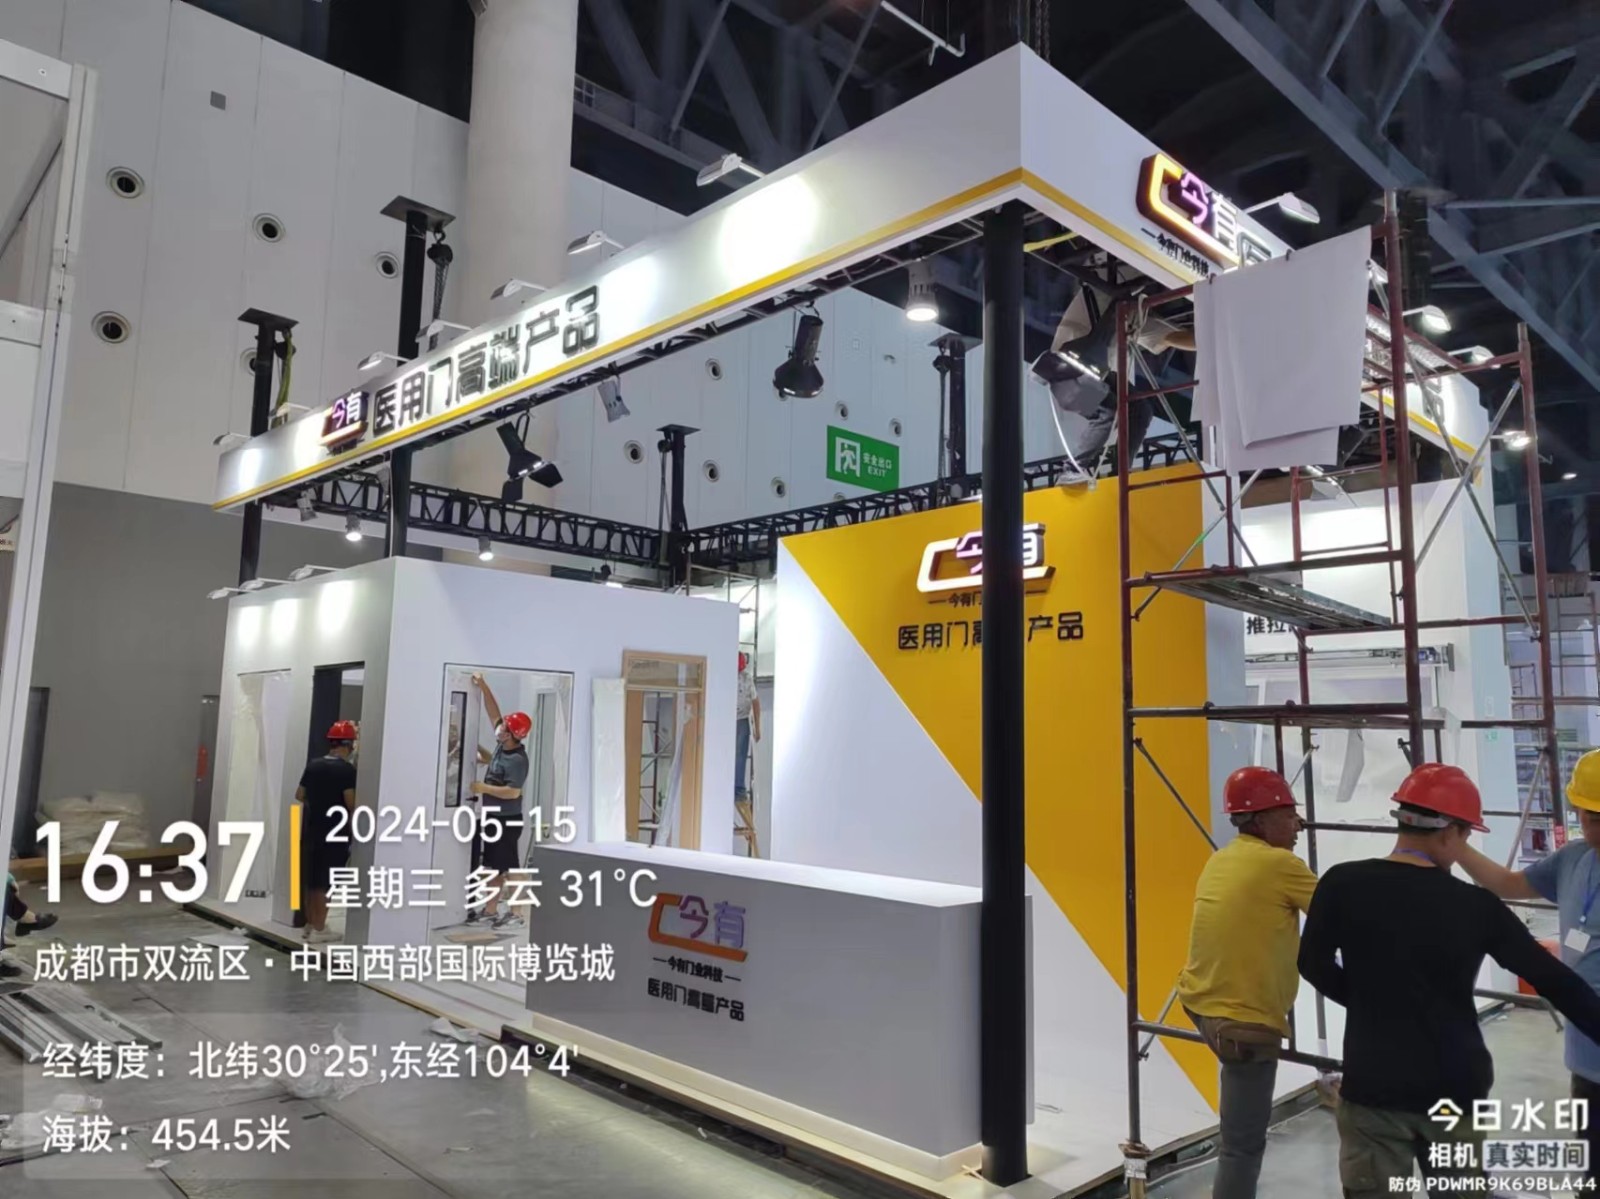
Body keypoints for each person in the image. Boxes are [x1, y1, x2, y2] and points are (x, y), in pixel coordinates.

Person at [1298, 764, 1600, 1199]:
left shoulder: (1340, 884)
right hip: (1454, 1089)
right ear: (1451, 834)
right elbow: (1553, 980)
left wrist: (1372, 1003)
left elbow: (1311, 964)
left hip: (1373, 1084)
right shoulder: (1477, 907)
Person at [1453, 747, 1600, 1181]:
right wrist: (1456, 845)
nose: (1596, 828)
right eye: (1591, 817)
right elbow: (1509, 884)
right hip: (1585, 1050)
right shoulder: (1574, 859)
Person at [1175, 766, 1317, 1199]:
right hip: (1244, 1024)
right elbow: (1341, 914)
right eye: (1289, 815)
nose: (1298, 825)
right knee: (1241, 1147)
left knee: (1238, 1135)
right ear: (1261, 819)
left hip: (1199, 1004)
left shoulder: (1222, 858)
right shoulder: (1279, 863)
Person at [469, 673, 531, 930]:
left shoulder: (517, 760)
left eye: (504, 727)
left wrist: (482, 787)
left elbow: (512, 792)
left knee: (511, 867)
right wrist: (483, 686)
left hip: (507, 820)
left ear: (513, 735)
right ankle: (491, 909)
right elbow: (492, 710)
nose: (499, 727)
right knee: (494, 867)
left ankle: (516, 913)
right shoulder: (501, 746)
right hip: (493, 817)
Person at [296, 720, 358, 943]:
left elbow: (299, 794)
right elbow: (351, 803)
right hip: (336, 832)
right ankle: (320, 929)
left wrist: (319, 802)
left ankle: (310, 924)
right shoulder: (347, 770)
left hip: (313, 829)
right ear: (348, 745)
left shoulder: (314, 765)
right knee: (327, 881)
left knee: (313, 879)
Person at [735, 652, 761, 803]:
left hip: (742, 719)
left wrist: (757, 727)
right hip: (728, 719)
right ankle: (729, 785)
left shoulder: (747, 678)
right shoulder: (725, 674)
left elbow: (755, 703)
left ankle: (738, 789)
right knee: (729, 753)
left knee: (740, 755)